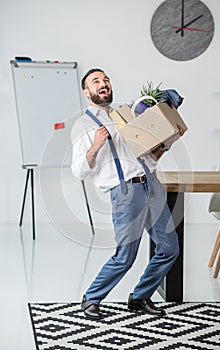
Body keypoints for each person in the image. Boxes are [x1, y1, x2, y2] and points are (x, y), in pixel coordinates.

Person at [71, 68, 185, 320]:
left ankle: (140, 296)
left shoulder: (125, 115)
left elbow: (148, 157)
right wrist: (96, 145)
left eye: (106, 80)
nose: (103, 84)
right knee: (126, 255)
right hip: (126, 192)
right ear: (86, 92)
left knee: (169, 248)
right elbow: (79, 170)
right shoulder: (83, 124)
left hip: (151, 185)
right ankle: (91, 298)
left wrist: (168, 141)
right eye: (96, 81)